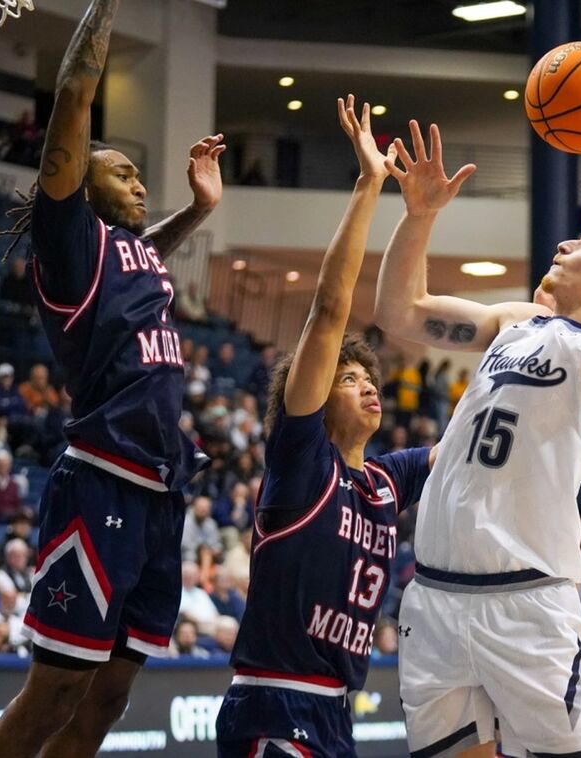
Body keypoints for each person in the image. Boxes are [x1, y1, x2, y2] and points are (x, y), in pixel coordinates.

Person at [376, 60, 581, 756]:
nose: (568, 241)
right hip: (438, 597)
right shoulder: (512, 322)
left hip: (528, 602)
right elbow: (400, 313)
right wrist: (418, 218)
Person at [0, 1, 226, 754]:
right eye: (121, 171)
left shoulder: (132, 252)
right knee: (56, 689)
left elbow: (147, 243)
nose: (138, 180)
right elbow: (74, 99)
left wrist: (196, 209)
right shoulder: (70, 248)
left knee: (109, 696)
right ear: (77, 189)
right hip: (102, 480)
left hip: (161, 490)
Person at [215, 96, 433, 757]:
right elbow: (331, 310)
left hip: (337, 713)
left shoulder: (387, 480)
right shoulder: (303, 458)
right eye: (349, 378)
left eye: (370, 378)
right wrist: (371, 185)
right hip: (274, 702)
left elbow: (480, 437)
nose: (368, 384)